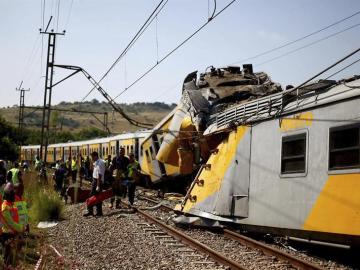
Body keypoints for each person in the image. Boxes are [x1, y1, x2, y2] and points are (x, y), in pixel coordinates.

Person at [0, 183, 25, 267]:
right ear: (8, 196)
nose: (15, 196)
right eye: (13, 195)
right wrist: (20, 228)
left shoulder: (12, 204)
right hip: (7, 234)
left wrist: (23, 225)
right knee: (8, 256)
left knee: (14, 255)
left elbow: (19, 216)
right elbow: (10, 222)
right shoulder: (5, 207)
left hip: (13, 233)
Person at [84, 152, 105, 217]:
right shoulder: (96, 162)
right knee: (92, 196)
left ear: (95, 156)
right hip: (95, 180)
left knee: (97, 197)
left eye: (92, 157)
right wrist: (91, 162)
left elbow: (100, 175)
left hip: (98, 181)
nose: (91, 158)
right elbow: (91, 169)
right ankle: (91, 211)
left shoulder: (100, 163)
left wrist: (98, 185)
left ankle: (99, 212)